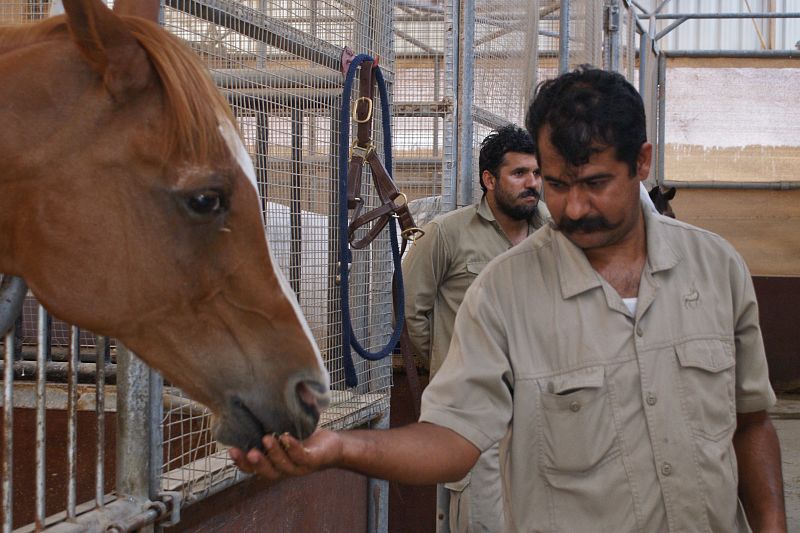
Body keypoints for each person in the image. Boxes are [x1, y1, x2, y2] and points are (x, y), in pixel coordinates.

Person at [230, 66, 787, 532]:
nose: (570, 208)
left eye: (593, 183)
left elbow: (751, 422)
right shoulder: (504, 291)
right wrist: (341, 449)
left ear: (641, 164)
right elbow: (453, 434)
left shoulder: (717, 269)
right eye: (556, 183)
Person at [403, 124, 548, 533]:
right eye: (519, 173)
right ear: (489, 180)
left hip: (541, 412)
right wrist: (455, 364)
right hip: (475, 415)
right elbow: (413, 309)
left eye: (536, 173)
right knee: (480, 521)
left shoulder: (554, 236)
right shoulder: (447, 234)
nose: (532, 183)